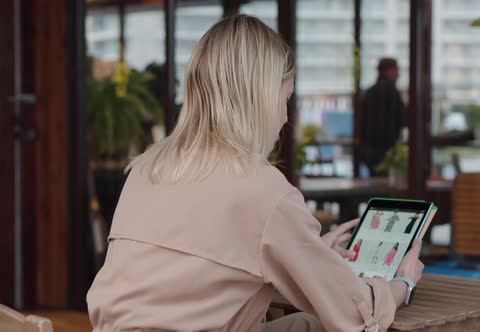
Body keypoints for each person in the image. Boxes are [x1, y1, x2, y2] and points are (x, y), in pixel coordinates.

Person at [87, 15, 424, 332]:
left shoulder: (147, 168)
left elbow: (187, 278)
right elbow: (356, 313)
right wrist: (401, 284)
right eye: (285, 99)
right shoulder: (260, 189)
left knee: (304, 325)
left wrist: (304, 253)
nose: (284, 117)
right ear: (260, 99)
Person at [360, 58, 407, 176]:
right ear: (387, 70)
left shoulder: (370, 92)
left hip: (371, 149)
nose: (398, 74)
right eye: (396, 70)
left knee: (376, 182)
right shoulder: (391, 90)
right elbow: (401, 118)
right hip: (387, 149)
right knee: (387, 186)